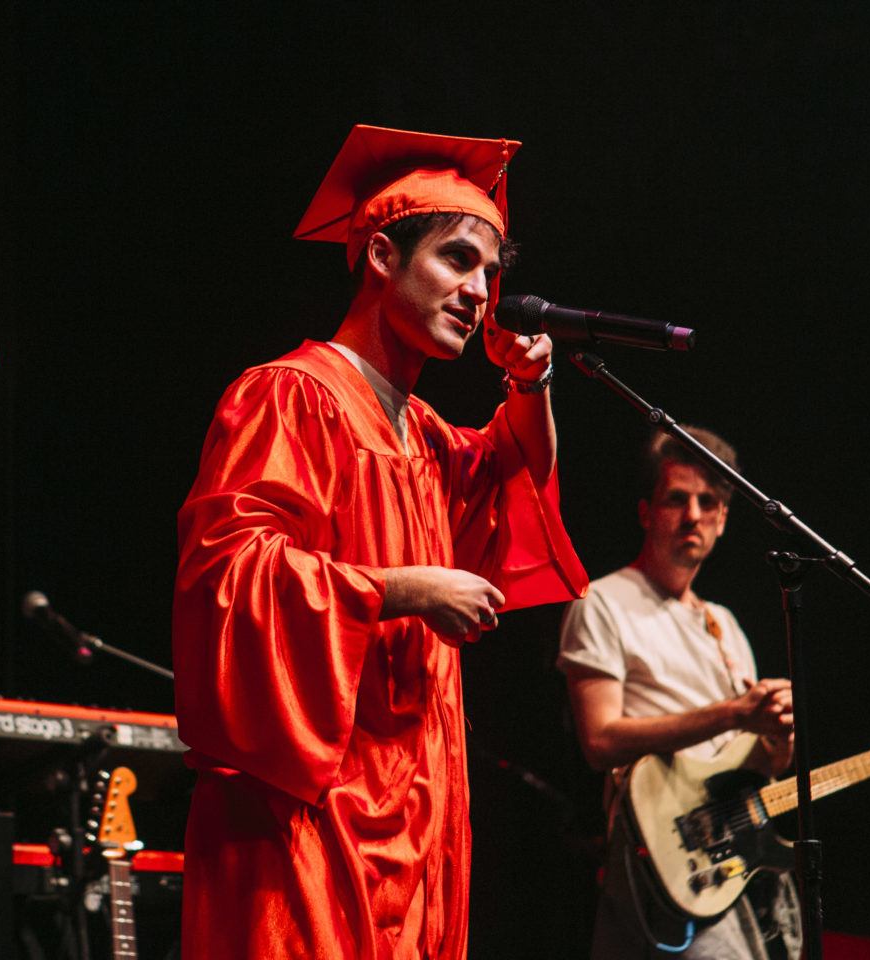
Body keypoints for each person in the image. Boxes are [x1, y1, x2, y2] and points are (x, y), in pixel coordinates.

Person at [172, 124, 589, 959]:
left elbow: (512, 473)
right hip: (310, 807)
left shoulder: (425, 435)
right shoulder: (290, 396)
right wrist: (400, 589)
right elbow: (230, 573)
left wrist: (531, 380)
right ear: (381, 259)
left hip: (414, 802)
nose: (482, 292)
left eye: (492, 273)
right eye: (459, 260)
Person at [557, 428, 802, 960]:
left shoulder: (725, 625)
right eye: (677, 498)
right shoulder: (602, 601)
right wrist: (734, 712)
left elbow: (758, 766)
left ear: (723, 520)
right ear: (646, 512)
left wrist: (777, 741)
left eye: (708, 502)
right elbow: (598, 740)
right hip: (657, 851)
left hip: (727, 854)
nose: (693, 514)